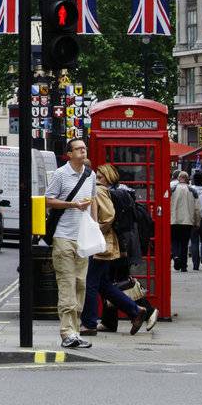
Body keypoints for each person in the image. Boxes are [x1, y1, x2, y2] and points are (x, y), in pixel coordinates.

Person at [83, 164, 158, 336]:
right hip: (117, 244)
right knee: (104, 284)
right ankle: (132, 312)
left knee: (95, 283)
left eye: (101, 176)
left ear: (108, 177)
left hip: (105, 244)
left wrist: (94, 232)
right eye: (97, 175)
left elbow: (109, 216)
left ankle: (90, 323)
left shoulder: (100, 191)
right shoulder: (116, 191)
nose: (98, 178)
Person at [45, 138, 97, 349]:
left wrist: (94, 225)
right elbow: (48, 200)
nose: (83, 151)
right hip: (63, 237)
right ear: (69, 154)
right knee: (67, 284)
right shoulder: (60, 174)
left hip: (83, 238)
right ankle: (67, 332)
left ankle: (75, 331)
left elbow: (93, 201)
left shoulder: (90, 175)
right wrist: (71, 204)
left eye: (84, 148)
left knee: (81, 285)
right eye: (78, 149)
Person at [169, 168, 198, 273]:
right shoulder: (192, 190)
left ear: (178, 178)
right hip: (187, 221)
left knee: (174, 241)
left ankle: (176, 256)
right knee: (184, 243)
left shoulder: (171, 189)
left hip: (174, 220)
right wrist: (197, 221)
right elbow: (197, 208)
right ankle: (184, 266)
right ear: (187, 179)